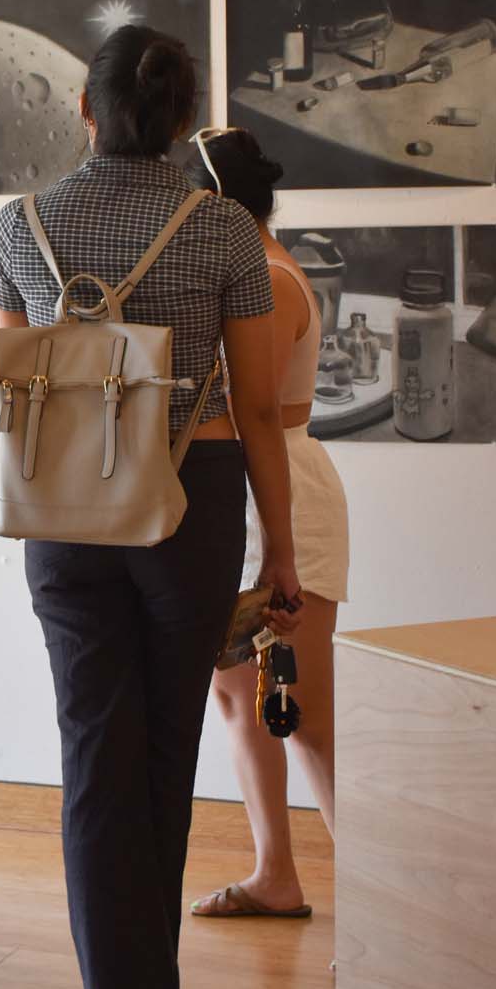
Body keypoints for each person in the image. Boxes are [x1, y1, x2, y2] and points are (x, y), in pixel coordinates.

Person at [0, 28, 303, 989]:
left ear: (85, 106)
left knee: (93, 770)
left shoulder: (17, 224)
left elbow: (21, 380)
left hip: (64, 521)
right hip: (186, 507)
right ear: (180, 120)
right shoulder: (221, 228)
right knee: (162, 770)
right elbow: (260, 409)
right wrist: (285, 552)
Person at [188, 129, 347, 922]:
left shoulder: (274, 281)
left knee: (304, 710)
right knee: (235, 691)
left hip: (280, 488)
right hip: (247, 488)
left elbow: (249, 407)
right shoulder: (254, 270)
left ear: (215, 200)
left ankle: (385, 889)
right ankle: (274, 873)